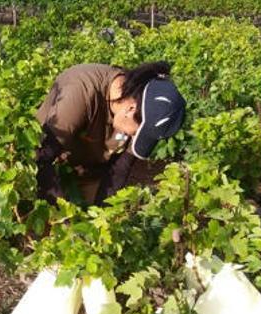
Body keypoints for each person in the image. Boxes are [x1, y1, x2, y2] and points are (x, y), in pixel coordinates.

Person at [35, 61, 186, 206]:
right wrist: (65, 217)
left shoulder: (147, 112)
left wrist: (103, 213)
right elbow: (41, 158)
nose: (134, 138)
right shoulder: (81, 93)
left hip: (92, 167)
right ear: (130, 109)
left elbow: (120, 169)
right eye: (137, 133)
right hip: (53, 163)